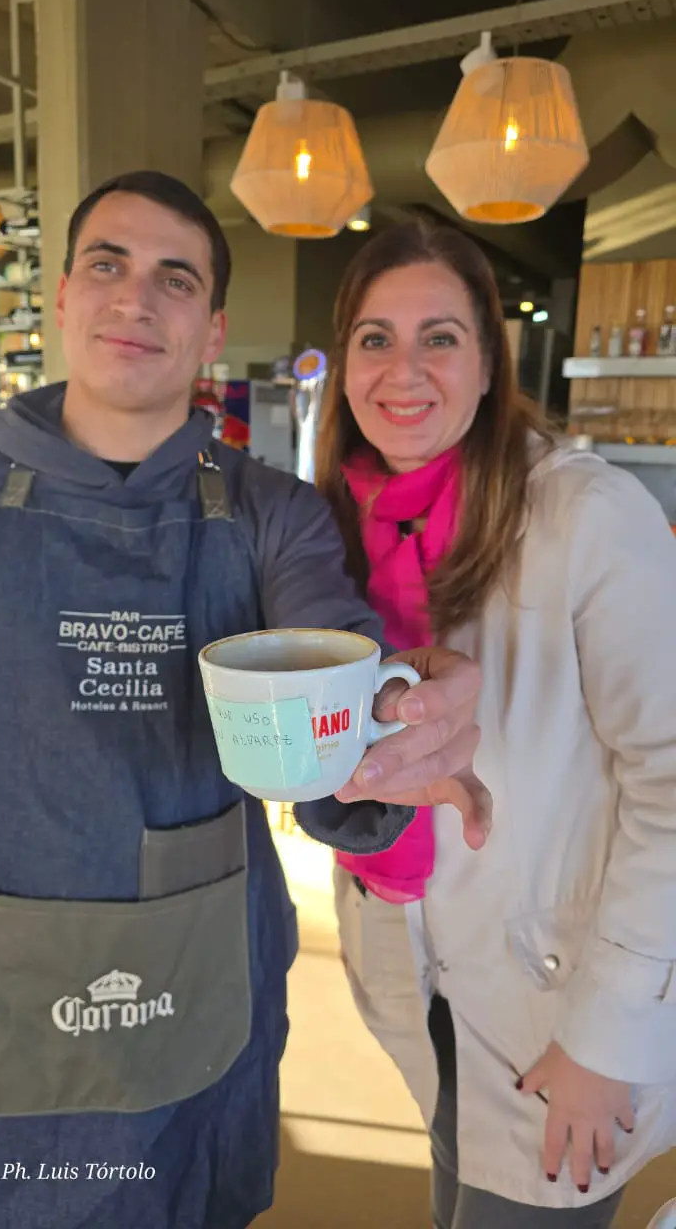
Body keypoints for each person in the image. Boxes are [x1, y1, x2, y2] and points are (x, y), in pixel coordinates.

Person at [0, 173, 489, 1229]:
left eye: (176, 277)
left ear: (211, 329)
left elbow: (332, 645)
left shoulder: (270, 510)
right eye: (107, 263)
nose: (134, 296)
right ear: (63, 294)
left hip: (201, 973)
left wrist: (388, 728)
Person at [316, 219, 676, 1229]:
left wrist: (606, 1041)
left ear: (487, 365)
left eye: (440, 337)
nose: (404, 371)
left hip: (562, 1019)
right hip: (423, 987)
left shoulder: (586, 516)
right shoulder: (338, 529)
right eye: (376, 338)